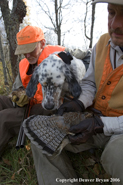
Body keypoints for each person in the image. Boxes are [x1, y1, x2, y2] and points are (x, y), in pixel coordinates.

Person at [30, 0, 123, 185]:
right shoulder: (102, 43)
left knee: (117, 156)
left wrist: (100, 124)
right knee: (39, 137)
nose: (114, 25)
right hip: (93, 117)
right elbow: (90, 83)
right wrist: (80, 103)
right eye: (111, 12)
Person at [0, 25, 89, 156]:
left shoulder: (63, 53)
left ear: (42, 43)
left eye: (31, 49)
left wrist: (82, 80)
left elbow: (90, 54)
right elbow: (17, 87)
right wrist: (17, 94)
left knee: (4, 117)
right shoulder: (24, 64)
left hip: (50, 108)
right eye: (24, 50)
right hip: (29, 103)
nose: (27, 54)